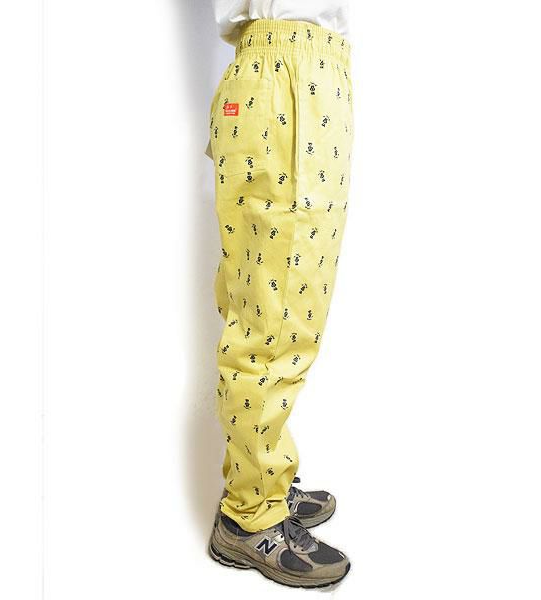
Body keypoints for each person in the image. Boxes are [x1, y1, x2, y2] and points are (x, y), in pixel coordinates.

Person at [206, 1, 353, 588]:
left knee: (274, 301)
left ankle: (263, 477)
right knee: (274, 320)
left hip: (300, 70)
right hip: (287, 72)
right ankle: (249, 514)